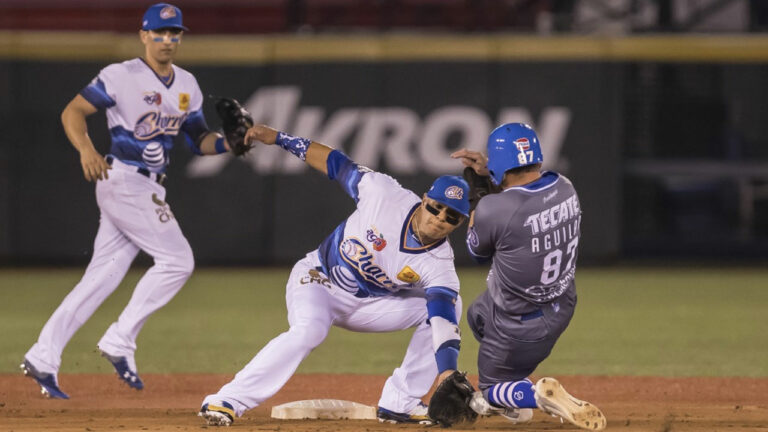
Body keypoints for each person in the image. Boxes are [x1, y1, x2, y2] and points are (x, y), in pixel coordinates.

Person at [21, 3, 236, 399]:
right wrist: (86, 149)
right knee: (177, 261)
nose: (167, 40)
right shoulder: (122, 75)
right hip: (123, 179)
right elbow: (74, 111)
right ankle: (119, 340)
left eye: (174, 34)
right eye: (160, 33)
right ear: (144, 35)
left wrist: (230, 142)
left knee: (100, 279)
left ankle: (42, 356)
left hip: (148, 185)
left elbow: (199, 140)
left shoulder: (187, 83)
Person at [198, 124, 470, 426]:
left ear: (460, 223)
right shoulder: (383, 194)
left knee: (451, 305)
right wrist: (278, 138)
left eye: (452, 216)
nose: (440, 218)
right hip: (319, 281)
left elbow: (443, 317)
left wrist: (447, 372)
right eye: (436, 208)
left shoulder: (440, 263)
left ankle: (400, 401)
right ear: (424, 200)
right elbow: (334, 163)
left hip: (372, 306)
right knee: (308, 331)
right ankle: (227, 400)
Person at [451, 123, 606, 430]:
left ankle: (535, 395)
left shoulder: (494, 208)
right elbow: (519, 202)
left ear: (500, 165)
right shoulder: (565, 186)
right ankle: (515, 393)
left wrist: (479, 192)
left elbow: (478, 252)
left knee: (490, 389)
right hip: (562, 304)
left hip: (519, 324)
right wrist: (491, 178)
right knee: (477, 314)